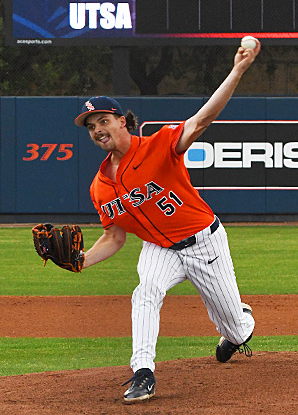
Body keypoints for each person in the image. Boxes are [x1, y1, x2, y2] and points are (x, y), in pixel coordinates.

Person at [74, 39, 260, 404]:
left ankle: (239, 327)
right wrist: (81, 260)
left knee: (235, 330)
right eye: (91, 125)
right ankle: (143, 372)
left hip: (204, 242)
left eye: (104, 120)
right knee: (146, 291)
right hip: (159, 248)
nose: (97, 129)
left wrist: (238, 70)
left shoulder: (159, 145)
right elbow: (114, 238)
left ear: (123, 121)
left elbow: (203, 118)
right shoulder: (100, 186)